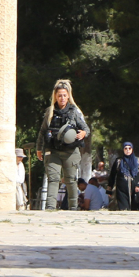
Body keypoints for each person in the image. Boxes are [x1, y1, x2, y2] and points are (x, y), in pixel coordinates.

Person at [36, 79, 90, 210]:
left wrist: (83, 133)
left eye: (64, 95)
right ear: (55, 96)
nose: (62, 98)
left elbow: (86, 129)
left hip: (70, 152)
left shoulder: (74, 112)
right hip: (52, 151)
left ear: (68, 96)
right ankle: (50, 207)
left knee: (71, 180)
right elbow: (42, 131)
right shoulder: (50, 112)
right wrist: (39, 148)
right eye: (59, 95)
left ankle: (73, 207)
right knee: (53, 179)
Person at [107, 142, 139, 210]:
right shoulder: (118, 161)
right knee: (124, 209)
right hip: (121, 191)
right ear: (123, 150)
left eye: (129, 148)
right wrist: (109, 190)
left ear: (132, 149)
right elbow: (112, 176)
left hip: (135, 191)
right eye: (125, 148)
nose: (127, 150)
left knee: (135, 209)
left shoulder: (138, 161)